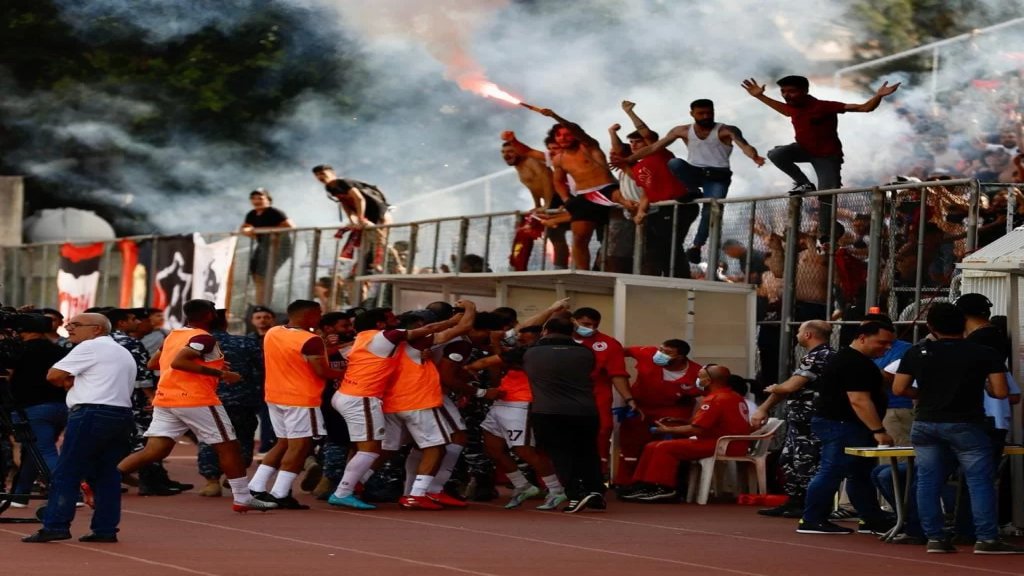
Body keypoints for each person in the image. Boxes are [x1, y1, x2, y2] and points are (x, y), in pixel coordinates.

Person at [118, 299, 275, 513]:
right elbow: (179, 362)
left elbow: (154, 364)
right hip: (196, 399)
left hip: (167, 399)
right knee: (229, 446)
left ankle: (98, 480)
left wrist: (207, 363)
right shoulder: (203, 337)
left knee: (154, 450)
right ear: (210, 315)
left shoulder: (175, 335)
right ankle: (242, 497)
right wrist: (222, 373)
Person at [892, 302, 1023, 554]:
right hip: (966, 422)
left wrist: (924, 393)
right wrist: (984, 388)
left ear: (930, 326)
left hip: (926, 422)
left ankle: (935, 538)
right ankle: (986, 538)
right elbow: (1001, 392)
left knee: (928, 481)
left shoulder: (916, 352)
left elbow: (898, 388)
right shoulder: (983, 353)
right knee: (979, 481)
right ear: (963, 324)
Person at [327, 305, 470, 510]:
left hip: (366, 398)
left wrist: (329, 344)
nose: (394, 319)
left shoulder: (361, 339)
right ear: (380, 324)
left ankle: (355, 484)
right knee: (373, 449)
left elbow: (339, 351)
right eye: (389, 317)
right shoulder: (386, 337)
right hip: (366, 397)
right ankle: (346, 490)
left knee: (380, 448)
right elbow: (430, 331)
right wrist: (454, 319)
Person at [742, 75, 900, 243]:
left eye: (792, 92)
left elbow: (864, 108)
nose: (787, 96)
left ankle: (825, 235)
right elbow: (782, 109)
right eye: (783, 92)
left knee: (826, 195)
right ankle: (804, 183)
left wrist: (878, 96)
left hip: (827, 157)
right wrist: (759, 96)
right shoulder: (792, 108)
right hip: (804, 149)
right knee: (776, 153)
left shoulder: (823, 106)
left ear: (805, 91)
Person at [22, 313, 135, 543]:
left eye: (75, 325)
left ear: (96, 329)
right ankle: (105, 529)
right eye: (69, 324)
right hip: (120, 414)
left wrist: (67, 383)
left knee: (66, 471)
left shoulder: (90, 347)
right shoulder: (121, 351)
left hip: (91, 413)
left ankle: (55, 525)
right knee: (107, 474)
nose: (69, 328)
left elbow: (53, 375)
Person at [616, 98, 765, 264]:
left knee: (711, 210)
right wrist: (629, 160)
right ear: (692, 114)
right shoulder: (683, 131)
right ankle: (692, 189)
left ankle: (696, 246)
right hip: (695, 172)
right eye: (701, 113)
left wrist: (754, 156)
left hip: (717, 176)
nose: (706, 116)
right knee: (675, 163)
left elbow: (743, 145)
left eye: (709, 113)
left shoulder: (725, 130)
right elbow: (652, 147)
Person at [796, 321, 896, 535]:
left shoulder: (854, 360)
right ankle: (812, 518)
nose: (886, 348)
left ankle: (871, 517)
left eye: (890, 344)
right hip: (842, 424)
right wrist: (878, 430)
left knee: (859, 472)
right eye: (882, 342)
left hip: (847, 423)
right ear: (862, 338)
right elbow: (859, 399)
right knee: (834, 470)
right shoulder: (854, 363)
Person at [248, 300, 345, 509]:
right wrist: (348, 372)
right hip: (301, 398)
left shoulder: (273, 332)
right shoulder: (310, 340)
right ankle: (280, 493)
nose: (321, 316)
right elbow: (322, 371)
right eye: (318, 313)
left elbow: (293, 357)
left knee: (283, 443)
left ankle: (256, 486)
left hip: (275, 395)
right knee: (300, 446)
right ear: (309, 315)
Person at [464, 325, 568, 510]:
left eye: (524, 339)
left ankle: (556, 490)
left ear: (540, 336)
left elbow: (486, 363)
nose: (519, 341)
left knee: (524, 451)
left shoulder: (534, 354)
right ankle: (523, 486)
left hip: (521, 404)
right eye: (519, 338)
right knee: (492, 447)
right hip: (501, 402)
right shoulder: (519, 353)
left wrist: (472, 364)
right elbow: (497, 364)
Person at [519, 109, 636, 270]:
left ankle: (628, 203)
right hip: (584, 197)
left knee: (619, 202)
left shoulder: (588, 146)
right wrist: (567, 199)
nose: (564, 138)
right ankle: (583, 274)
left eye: (567, 134)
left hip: (606, 188)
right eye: (560, 135)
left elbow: (578, 131)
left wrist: (555, 116)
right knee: (579, 239)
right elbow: (558, 181)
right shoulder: (559, 159)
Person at [380, 308, 475, 510]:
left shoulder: (384, 341)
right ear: (416, 326)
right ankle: (425, 491)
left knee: (400, 447)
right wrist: (468, 309)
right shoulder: (421, 341)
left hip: (395, 399)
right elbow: (464, 327)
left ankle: (354, 485)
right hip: (420, 398)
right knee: (446, 442)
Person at [620, 364, 752, 502]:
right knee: (652, 446)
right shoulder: (732, 396)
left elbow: (697, 428)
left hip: (721, 444)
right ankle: (644, 484)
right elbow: (710, 422)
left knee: (664, 447)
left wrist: (669, 429)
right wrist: (680, 420)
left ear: (708, 381)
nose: (697, 380)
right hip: (731, 443)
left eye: (700, 377)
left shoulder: (715, 399)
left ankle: (665, 488)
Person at [512, 317, 605, 513]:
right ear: (572, 332)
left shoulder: (531, 352)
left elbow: (505, 354)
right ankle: (595, 493)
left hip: (548, 411)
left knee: (560, 453)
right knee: (588, 451)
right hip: (585, 411)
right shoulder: (585, 352)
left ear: (545, 330)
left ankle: (574, 494)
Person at [749, 320, 835, 518]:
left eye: (799, 331)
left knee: (806, 461)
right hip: (801, 418)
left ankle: (808, 504)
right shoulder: (817, 356)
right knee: (789, 459)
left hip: (809, 418)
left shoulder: (819, 356)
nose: (796, 335)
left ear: (808, 335)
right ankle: (794, 500)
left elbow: (790, 386)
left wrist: (775, 388)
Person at [613, 340, 701, 486]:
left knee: (669, 445)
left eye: (667, 353)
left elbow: (704, 398)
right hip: (639, 406)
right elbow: (618, 352)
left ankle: (664, 484)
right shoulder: (647, 352)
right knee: (630, 444)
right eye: (661, 349)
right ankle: (625, 483)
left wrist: (690, 420)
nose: (660, 354)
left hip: (672, 410)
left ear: (680, 357)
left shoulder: (696, 373)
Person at [4, 314, 69, 508]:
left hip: (31, 408)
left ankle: (69, 494)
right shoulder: (58, 349)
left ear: (24, 331)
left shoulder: (17, 351)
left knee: (44, 450)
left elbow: (7, 376)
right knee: (34, 451)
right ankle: (20, 495)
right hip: (59, 406)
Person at [197, 310, 263, 498]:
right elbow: (262, 368)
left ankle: (212, 481)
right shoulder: (246, 342)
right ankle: (236, 474)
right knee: (242, 437)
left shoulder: (195, 344)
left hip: (208, 399)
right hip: (243, 400)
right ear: (225, 324)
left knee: (210, 439)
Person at [571, 308, 633, 473]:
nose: (590, 328)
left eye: (594, 325)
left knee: (603, 428)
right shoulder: (557, 339)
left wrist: (629, 399)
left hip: (597, 393)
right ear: (573, 321)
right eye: (586, 324)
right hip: (563, 393)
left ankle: (598, 472)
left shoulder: (609, 344)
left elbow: (618, 374)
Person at [241, 188, 294, 306]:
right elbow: (245, 227)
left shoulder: (274, 212)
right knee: (256, 275)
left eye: (260, 198)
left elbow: (290, 226)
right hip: (263, 246)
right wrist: (249, 230)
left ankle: (266, 305)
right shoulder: (252, 214)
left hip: (279, 247)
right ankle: (260, 304)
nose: (257, 201)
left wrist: (272, 232)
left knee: (266, 275)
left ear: (268, 199)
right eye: (254, 198)